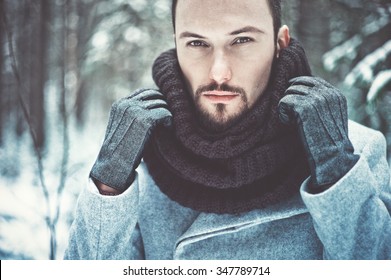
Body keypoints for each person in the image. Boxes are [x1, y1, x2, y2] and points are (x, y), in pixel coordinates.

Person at [64, 0, 391, 260]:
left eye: (242, 39)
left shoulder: (353, 153)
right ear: (176, 47)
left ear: (280, 43)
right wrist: (108, 185)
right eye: (196, 42)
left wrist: (336, 172)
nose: (219, 72)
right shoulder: (142, 162)